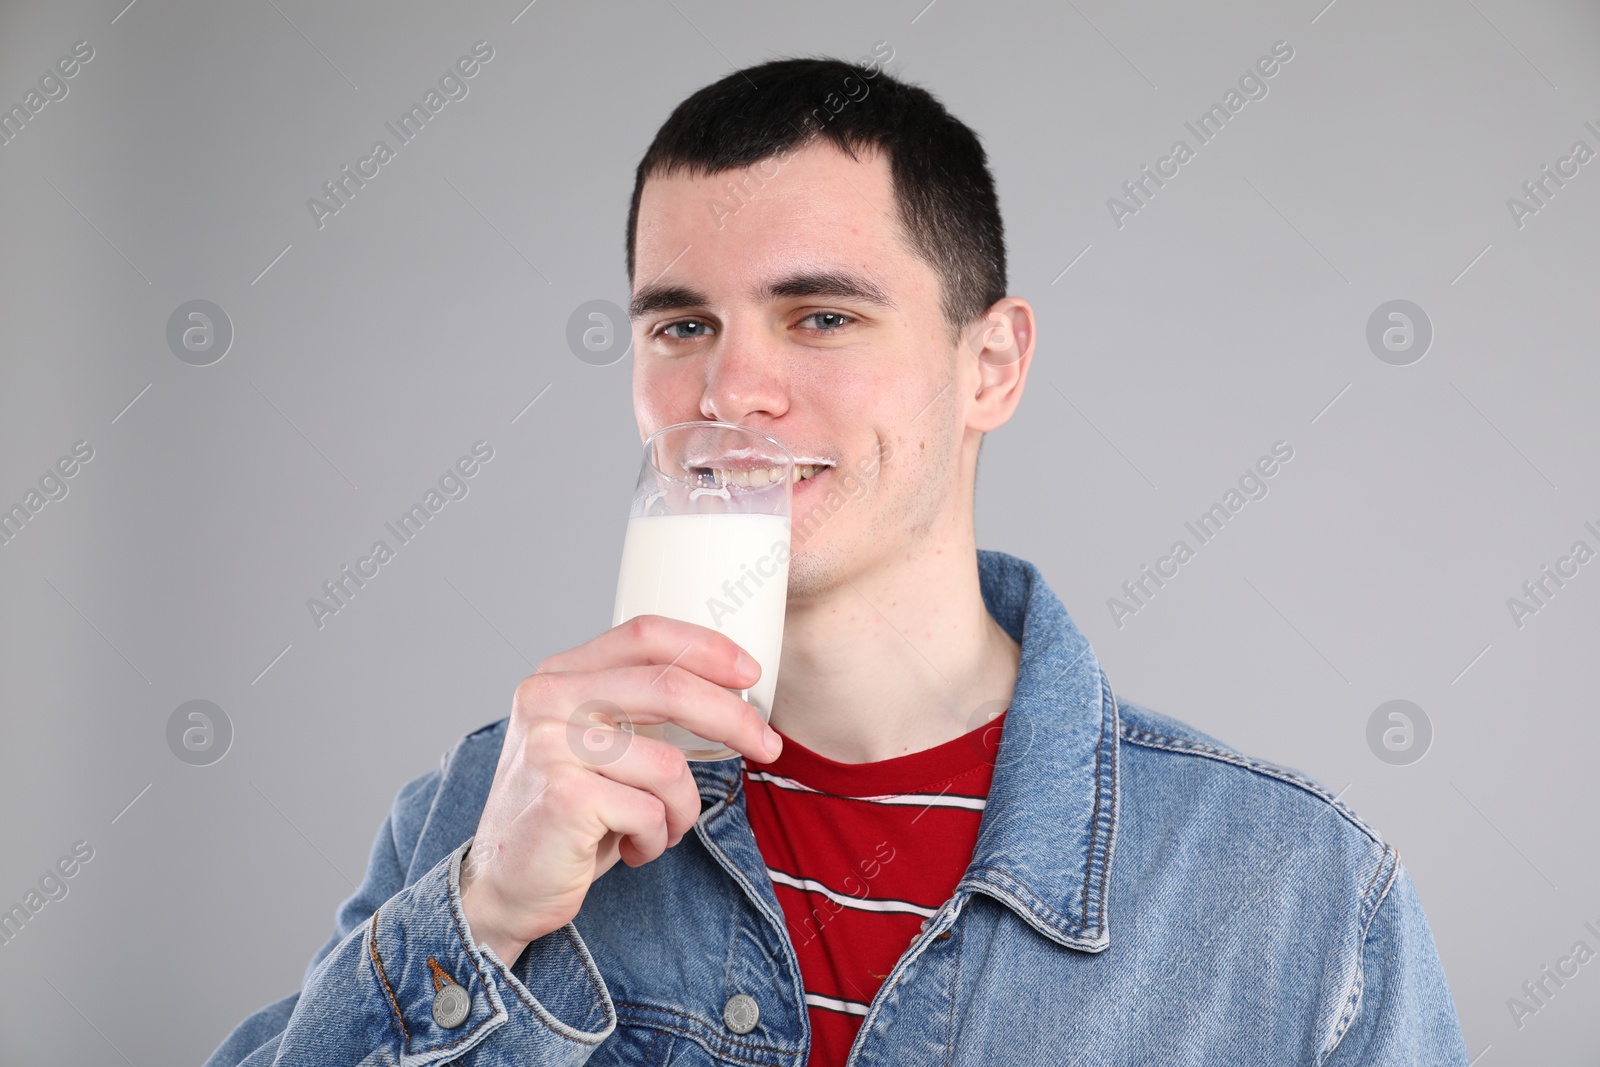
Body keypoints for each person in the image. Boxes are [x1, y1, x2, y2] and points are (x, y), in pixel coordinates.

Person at [206, 53, 1471, 1066]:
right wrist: (479, 915)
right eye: (682, 323)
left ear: (992, 364)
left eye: (820, 316)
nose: (731, 388)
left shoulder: (1296, 894)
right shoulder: (487, 806)